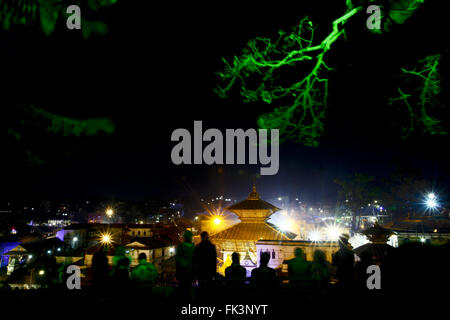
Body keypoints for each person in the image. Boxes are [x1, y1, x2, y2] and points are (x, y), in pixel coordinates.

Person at [176, 230, 195, 299]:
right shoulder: (193, 247)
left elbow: (178, 259)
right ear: (190, 237)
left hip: (182, 272)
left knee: (182, 289)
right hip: (191, 272)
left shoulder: (180, 246)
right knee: (189, 289)